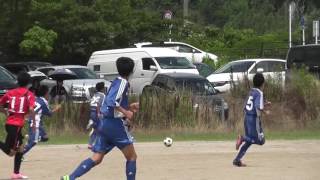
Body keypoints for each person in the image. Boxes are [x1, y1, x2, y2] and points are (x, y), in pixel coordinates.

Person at [61, 57, 139, 180]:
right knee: (132, 157)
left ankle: (70, 177)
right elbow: (111, 102)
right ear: (131, 71)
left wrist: (129, 106)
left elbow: (112, 103)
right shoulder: (123, 83)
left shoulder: (116, 81)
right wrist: (127, 112)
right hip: (115, 125)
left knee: (97, 158)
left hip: (105, 124)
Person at [0, 72, 36, 179]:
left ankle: (16, 173)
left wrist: (5, 112)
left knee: (20, 148)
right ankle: (15, 173)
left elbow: (1, 104)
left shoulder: (10, 92)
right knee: (11, 152)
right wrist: (33, 122)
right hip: (15, 126)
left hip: (11, 124)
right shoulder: (29, 94)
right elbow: (31, 109)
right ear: (29, 83)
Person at [233, 73, 271, 167]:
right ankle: (242, 138)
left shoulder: (251, 91)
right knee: (261, 141)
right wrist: (266, 112)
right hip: (254, 119)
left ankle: (237, 160)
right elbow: (258, 106)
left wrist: (265, 104)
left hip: (247, 117)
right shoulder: (259, 93)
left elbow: (249, 105)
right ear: (263, 84)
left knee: (250, 141)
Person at [23, 85, 61, 155]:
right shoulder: (44, 102)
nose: (49, 95)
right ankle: (21, 154)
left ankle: (30, 137)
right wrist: (56, 109)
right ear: (46, 93)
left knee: (44, 137)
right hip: (36, 123)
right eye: (48, 93)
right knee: (34, 141)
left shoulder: (36, 99)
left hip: (33, 121)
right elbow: (49, 114)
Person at [87, 82, 106, 149]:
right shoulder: (103, 95)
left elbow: (91, 103)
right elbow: (99, 104)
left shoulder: (94, 95)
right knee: (101, 128)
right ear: (102, 88)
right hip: (97, 111)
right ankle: (98, 144)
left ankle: (90, 144)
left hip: (92, 112)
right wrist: (98, 113)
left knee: (96, 129)